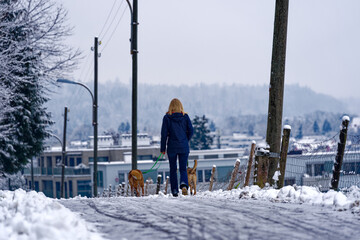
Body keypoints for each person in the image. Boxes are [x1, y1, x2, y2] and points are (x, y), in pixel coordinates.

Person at [161, 98, 193, 197]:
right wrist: (185, 140)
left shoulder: (167, 118)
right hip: (183, 146)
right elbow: (191, 131)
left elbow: (164, 134)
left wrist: (162, 149)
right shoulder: (185, 117)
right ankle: (183, 184)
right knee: (183, 168)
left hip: (172, 147)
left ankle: (174, 190)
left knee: (173, 169)